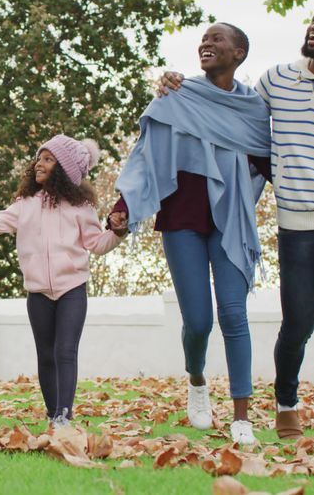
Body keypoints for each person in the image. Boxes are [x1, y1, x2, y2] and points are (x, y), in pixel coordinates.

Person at [159, 5, 314, 447]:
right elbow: (231, 111)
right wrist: (178, 88)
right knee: (298, 325)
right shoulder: (275, 80)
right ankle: (286, 403)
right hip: (297, 228)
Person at [109, 24, 271, 445]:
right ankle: (197, 382)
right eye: (203, 38)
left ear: (239, 53)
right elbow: (146, 153)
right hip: (181, 219)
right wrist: (124, 205)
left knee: (234, 314)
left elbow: (270, 161)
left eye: (218, 39)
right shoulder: (178, 95)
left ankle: (242, 417)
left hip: (230, 219)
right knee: (198, 320)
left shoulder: (252, 108)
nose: (207, 43)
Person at [0, 135, 123, 427]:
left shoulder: (81, 208)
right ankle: (53, 415)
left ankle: (64, 414)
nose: (39, 163)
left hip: (72, 290)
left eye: (48, 159)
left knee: (65, 351)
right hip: (38, 293)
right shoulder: (25, 204)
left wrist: (117, 233)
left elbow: (98, 244)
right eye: (39, 158)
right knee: (46, 355)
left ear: (64, 169)